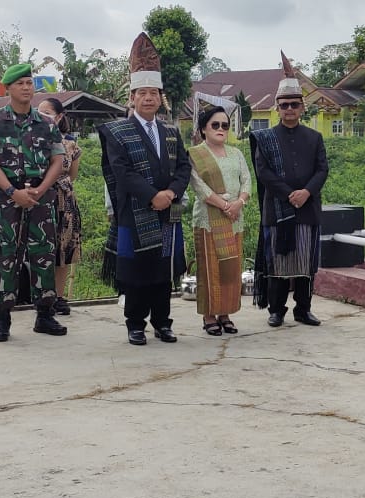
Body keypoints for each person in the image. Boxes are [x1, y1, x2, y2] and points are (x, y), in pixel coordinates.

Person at [98, 32, 190, 346]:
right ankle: (135, 324)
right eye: (142, 93)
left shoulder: (170, 130)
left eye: (154, 93)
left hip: (169, 212)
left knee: (164, 269)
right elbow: (121, 172)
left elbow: (184, 167)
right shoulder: (117, 131)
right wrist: (154, 196)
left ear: (160, 98)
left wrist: (173, 193)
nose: (148, 98)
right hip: (135, 212)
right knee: (137, 271)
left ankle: (163, 323)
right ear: (132, 98)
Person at [0, 63, 68, 342]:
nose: (27, 88)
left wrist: (40, 189)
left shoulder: (46, 123)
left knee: (43, 254)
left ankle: (45, 315)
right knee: (6, 256)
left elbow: (58, 159)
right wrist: (11, 190)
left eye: (30, 83)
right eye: (21, 84)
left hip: (41, 199)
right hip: (7, 200)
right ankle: (2, 318)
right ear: (9, 89)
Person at [249, 52, 328, 328]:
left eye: (294, 104)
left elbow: (322, 170)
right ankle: (276, 310)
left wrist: (306, 192)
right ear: (277, 108)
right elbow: (263, 172)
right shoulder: (265, 138)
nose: (290, 109)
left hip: (307, 210)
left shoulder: (315, 137)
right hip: (278, 210)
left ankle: (303, 309)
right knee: (278, 264)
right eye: (284, 105)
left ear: (302, 107)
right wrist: (288, 194)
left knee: (306, 264)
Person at [188, 106, 251, 335]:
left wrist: (238, 203)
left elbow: (247, 181)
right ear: (204, 129)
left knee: (230, 268)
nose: (221, 129)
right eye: (215, 125)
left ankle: (225, 314)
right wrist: (225, 205)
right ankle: (209, 316)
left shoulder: (236, 153)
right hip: (209, 219)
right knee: (209, 268)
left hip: (235, 219)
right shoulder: (195, 154)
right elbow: (198, 187)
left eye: (225, 125)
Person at [37, 98, 82, 316]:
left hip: (64, 201)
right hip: (38, 200)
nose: (43, 117)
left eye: (47, 113)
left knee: (64, 251)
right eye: (40, 113)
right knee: (42, 251)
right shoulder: (33, 140)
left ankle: (59, 297)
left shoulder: (70, 144)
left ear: (59, 116)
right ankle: (42, 297)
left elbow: (72, 176)